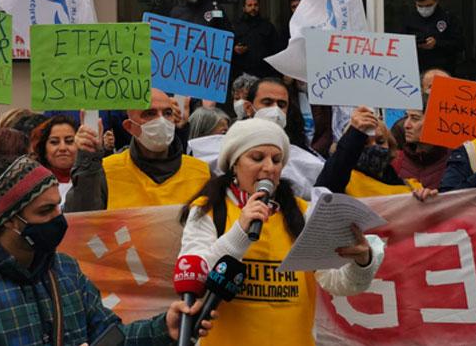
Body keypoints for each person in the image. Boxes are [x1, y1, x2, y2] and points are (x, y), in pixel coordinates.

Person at [0, 155, 214, 345]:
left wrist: (163, 328)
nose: (58, 218)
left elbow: (109, 338)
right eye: (45, 211)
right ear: (8, 220)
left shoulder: (65, 271)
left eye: (57, 206)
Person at [178, 119, 383, 346]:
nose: (269, 168)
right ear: (234, 163)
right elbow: (194, 278)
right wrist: (239, 232)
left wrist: (362, 262)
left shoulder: (303, 213)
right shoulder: (208, 210)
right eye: (257, 158)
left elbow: (337, 283)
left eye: (277, 160)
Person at [65, 88, 210, 211]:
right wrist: (87, 161)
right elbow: (80, 222)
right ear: (130, 127)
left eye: (167, 113)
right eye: (149, 114)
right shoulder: (106, 171)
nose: (161, 121)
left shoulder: (202, 172)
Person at [189, 77, 325, 197]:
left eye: (281, 105)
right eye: (267, 103)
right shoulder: (212, 150)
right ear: (248, 108)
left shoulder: (307, 162)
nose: (275, 110)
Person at [315, 106, 419, 198]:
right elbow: (325, 189)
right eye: (364, 143)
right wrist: (356, 132)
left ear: (390, 146)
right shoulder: (342, 181)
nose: (374, 146)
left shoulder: (410, 187)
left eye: (380, 141)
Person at [391, 98, 450, 198]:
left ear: (435, 121)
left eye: (415, 118)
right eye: (406, 117)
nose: (406, 125)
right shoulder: (395, 160)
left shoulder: (455, 162)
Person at [401, 0, 463, 73]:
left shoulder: (448, 18)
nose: (424, 9)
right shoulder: (410, 19)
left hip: (442, 70)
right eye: (420, 6)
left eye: (428, 5)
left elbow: (459, 44)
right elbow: (401, 43)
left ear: (436, 0)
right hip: (416, 70)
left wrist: (437, 43)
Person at [31, 115, 80, 203]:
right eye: (54, 142)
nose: (62, 148)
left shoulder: (94, 180)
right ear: (43, 149)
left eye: (69, 141)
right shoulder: (32, 185)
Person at [231, 0, 280, 80]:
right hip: (242, 74)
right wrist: (235, 50)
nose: (253, 8)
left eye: (255, 5)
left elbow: (276, 49)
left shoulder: (268, 26)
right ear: (244, 8)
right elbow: (227, 48)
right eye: (249, 5)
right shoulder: (235, 26)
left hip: (265, 74)